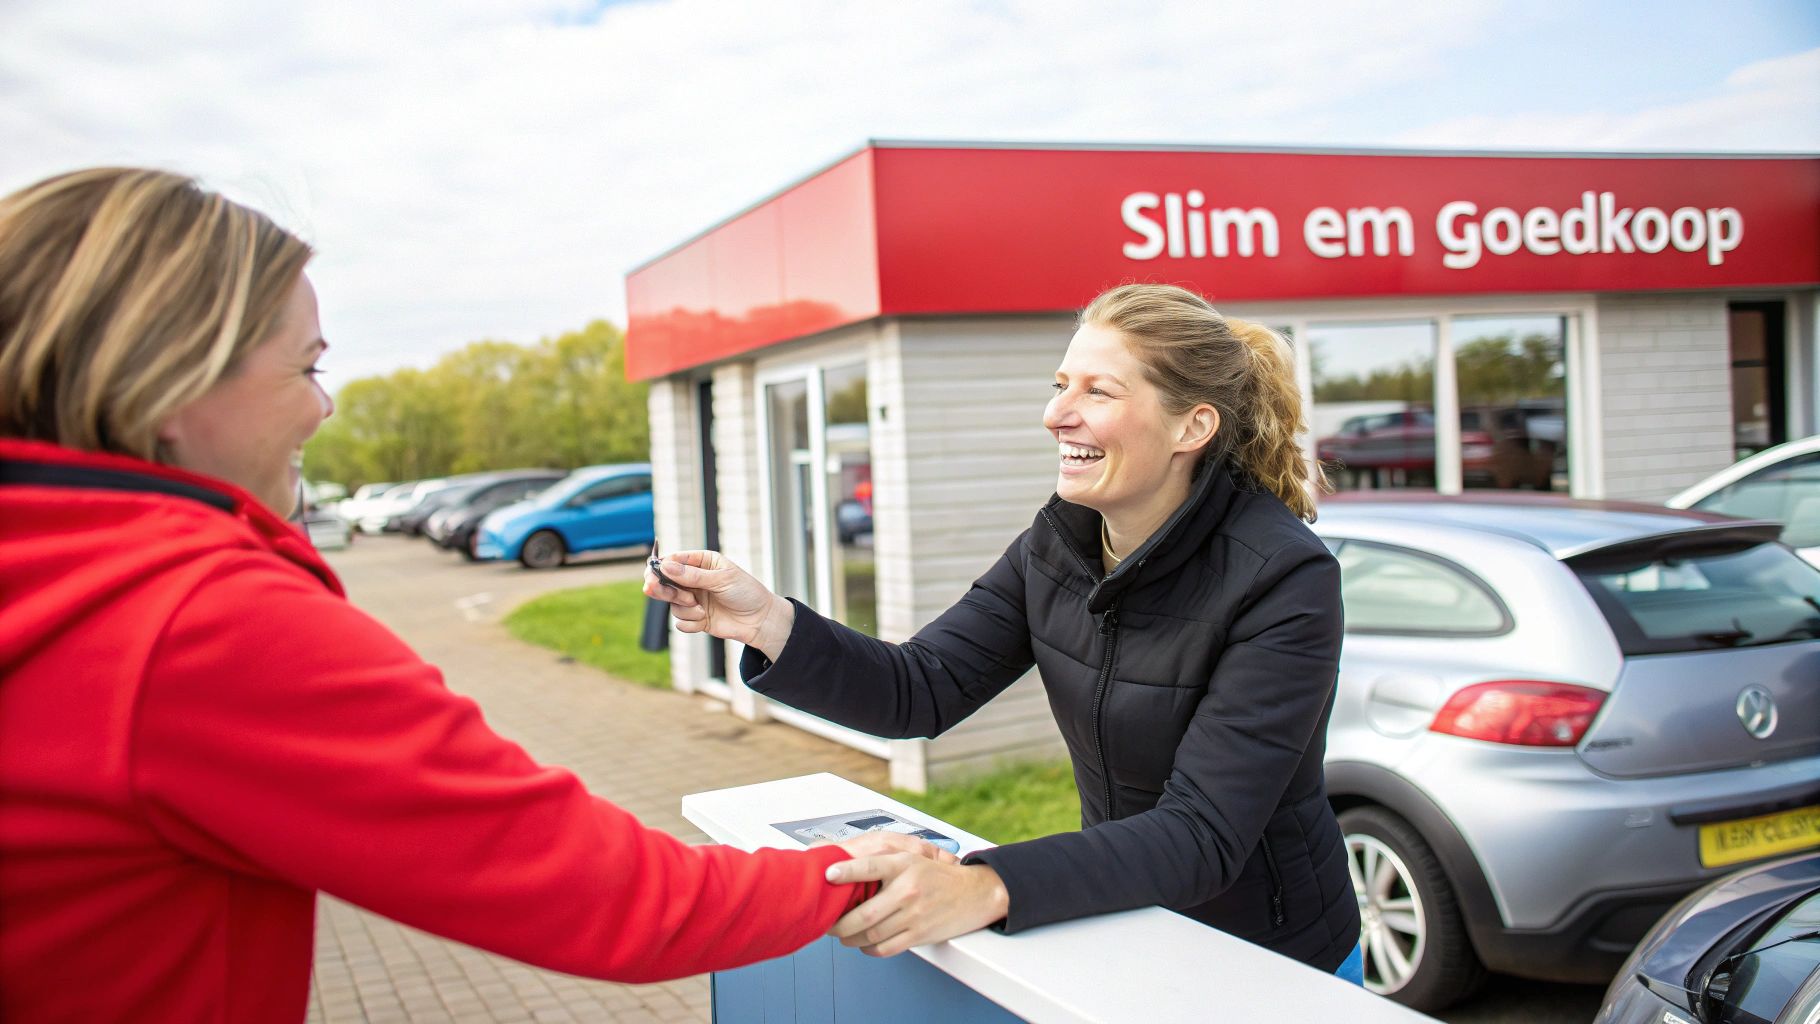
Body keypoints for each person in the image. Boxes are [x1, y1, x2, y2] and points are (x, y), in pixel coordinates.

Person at [0, 167, 922, 1021]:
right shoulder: (194, 618)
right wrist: (853, 874)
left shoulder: (50, 564)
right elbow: (614, 897)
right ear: (174, 377)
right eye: (308, 367)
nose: (323, 409)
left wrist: (766, 622)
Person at [648, 283, 1365, 978]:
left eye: (1098, 391)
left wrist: (987, 886)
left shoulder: (1282, 579)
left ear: (1192, 427)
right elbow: (919, 689)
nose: (1057, 414)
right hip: (1136, 923)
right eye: (1061, 384)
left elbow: (1202, 832)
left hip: (1275, 956)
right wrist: (766, 621)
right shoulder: (1057, 546)